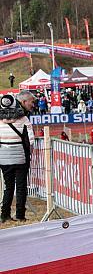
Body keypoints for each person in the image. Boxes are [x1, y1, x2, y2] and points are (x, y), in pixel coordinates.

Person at [0, 94, 33, 223]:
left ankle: (4, 215)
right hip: (20, 156)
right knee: (21, 187)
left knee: (8, 187)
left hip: (3, 157)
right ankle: (20, 215)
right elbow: (31, 139)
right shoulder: (24, 118)